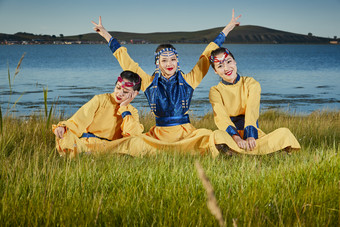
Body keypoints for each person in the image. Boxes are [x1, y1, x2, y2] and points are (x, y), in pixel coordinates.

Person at [91, 10, 241, 157]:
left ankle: (231, 151)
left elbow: (207, 55)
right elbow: (125, 60)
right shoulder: (148, 83)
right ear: (157, 63)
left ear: (177, 60)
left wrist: (228, 27)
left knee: (212, 135)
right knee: (134, 141)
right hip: (158, 137)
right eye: (164, 60)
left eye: (173, 59)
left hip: (186, 135)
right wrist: (105, 34)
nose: (169, 63)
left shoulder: (189, 80)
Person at [209, 47, 301, 154]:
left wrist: (250, 136)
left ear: (235, 62)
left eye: (229, 62)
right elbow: (221, 117)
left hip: (252, 134)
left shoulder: (251, 83)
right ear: (215, 71)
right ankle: (261, 152)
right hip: (231, 137)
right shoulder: (215, 91)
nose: (226, 68)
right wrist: (237, 138)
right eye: (220, 66)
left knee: (284, 132)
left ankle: (237, 152)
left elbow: (252, 110)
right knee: (216, 135)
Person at [52, 70, 144, 158]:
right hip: (88, 144)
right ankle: (85, 155)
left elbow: (133, 136)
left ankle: (87, 157)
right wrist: (63, 127)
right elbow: (78, 122)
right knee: (65, 133)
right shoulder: (100, 100)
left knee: (136, 142)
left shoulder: (131, 111)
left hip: (112, 147)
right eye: (118, 88)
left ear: (134, 94)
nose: (119, 93)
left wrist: (124, 108)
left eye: (126, 92)